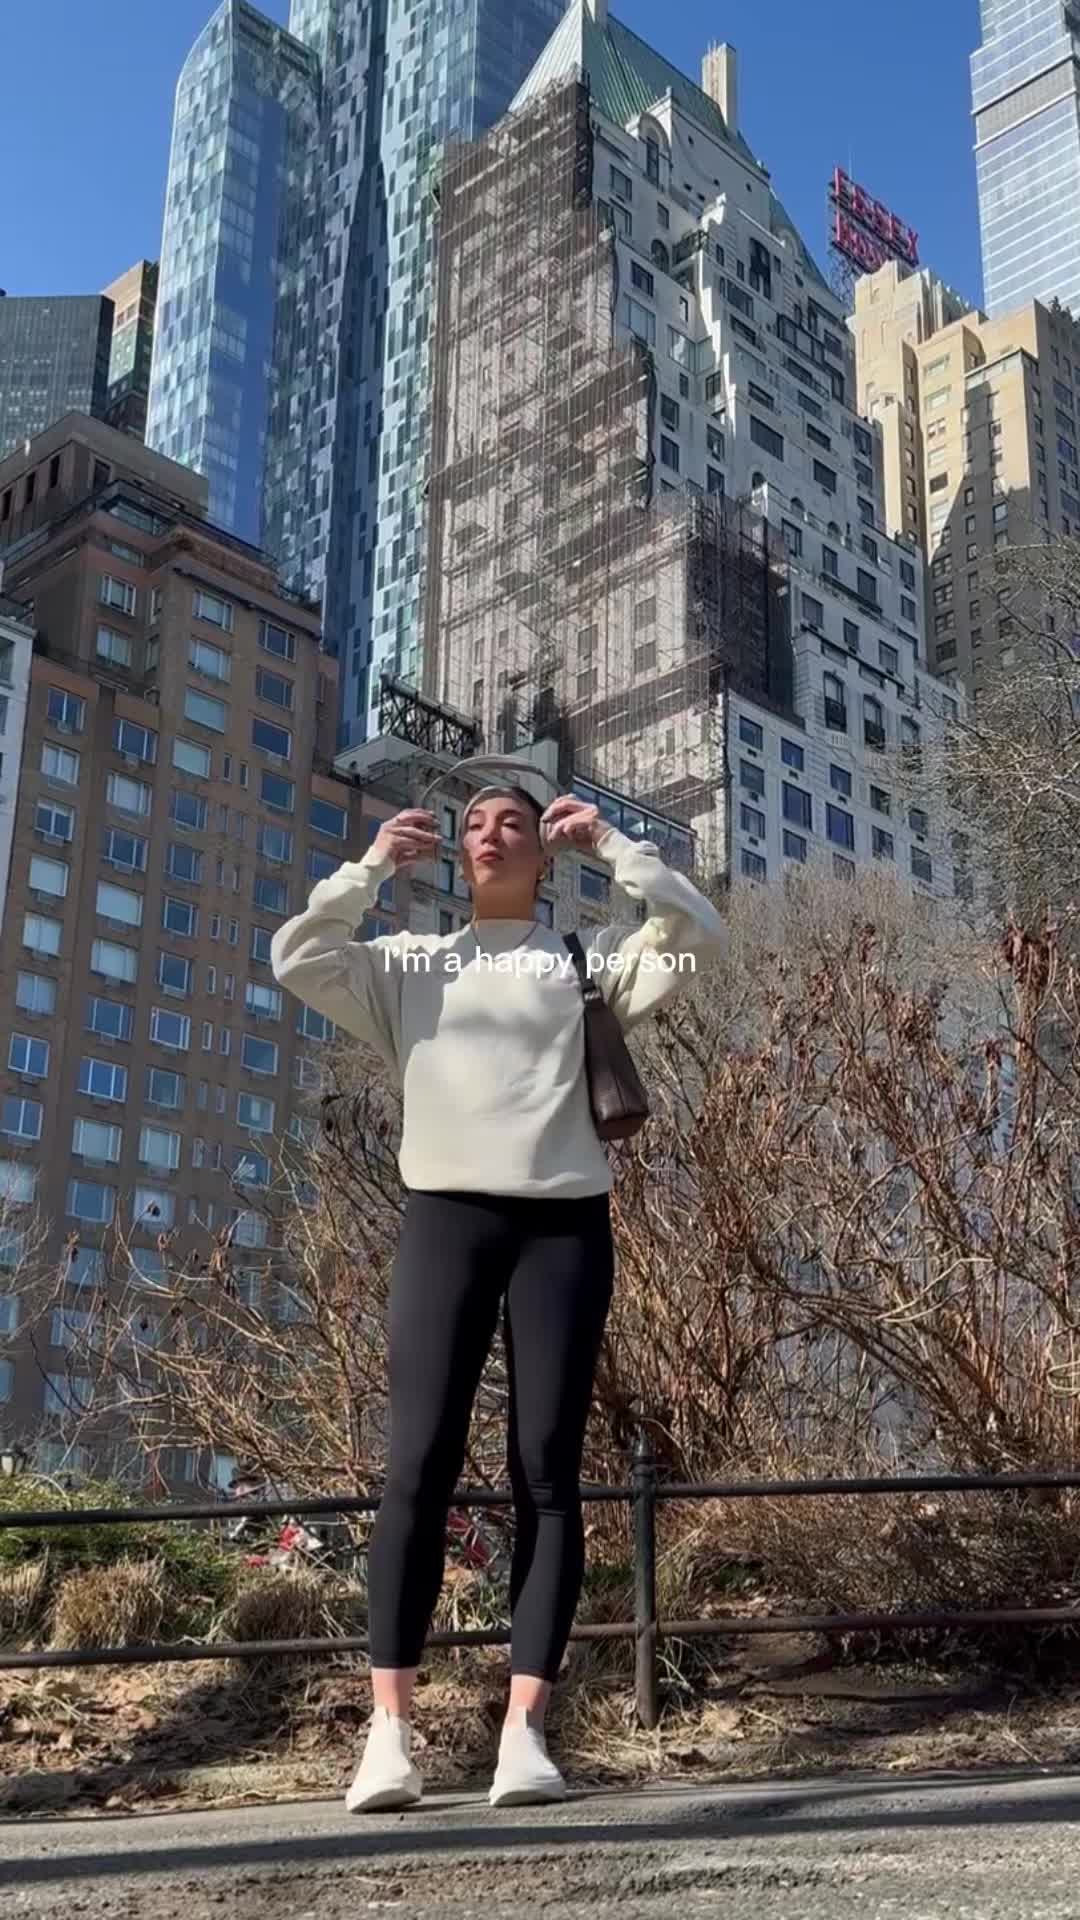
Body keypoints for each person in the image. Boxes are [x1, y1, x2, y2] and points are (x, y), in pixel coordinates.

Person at [271, 785, 724, 1811]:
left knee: (547, 1473)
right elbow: (297, 955)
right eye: (474, 823)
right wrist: (369, 869)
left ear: (543, 853)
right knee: (417, 1466)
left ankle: (525, 1733)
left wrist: (612, 842)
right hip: (446, 1221)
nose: (491, 834)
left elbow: (697, 933)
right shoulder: (409, 963)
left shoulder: (583, 958)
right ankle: (389, 1736)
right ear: (454, 852)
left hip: (562, 1228)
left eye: (512, 821)